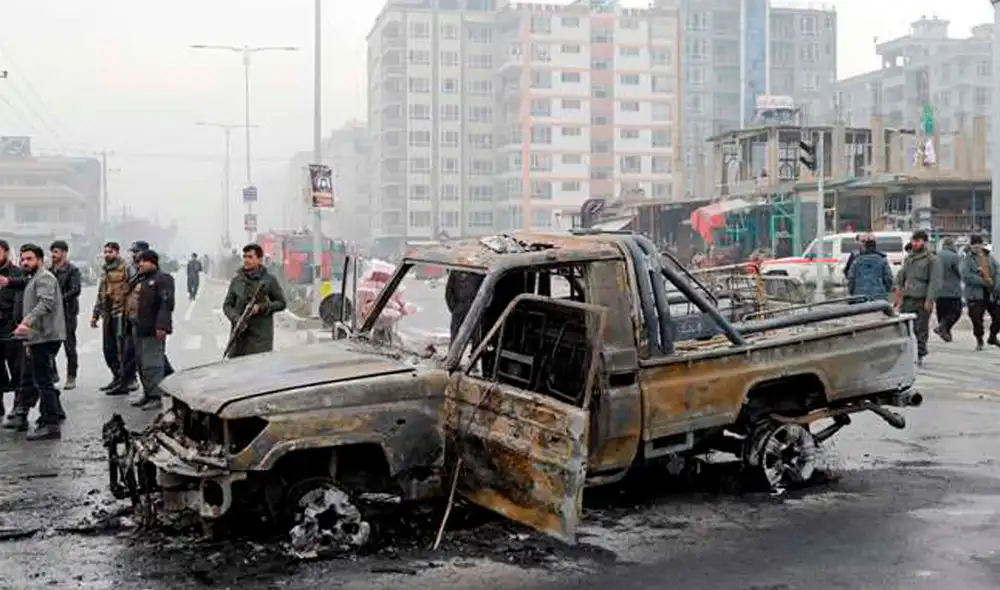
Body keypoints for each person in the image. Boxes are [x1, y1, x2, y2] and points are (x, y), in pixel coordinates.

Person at [6, 244, 66, 439]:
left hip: (44, 336)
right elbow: (23, 283)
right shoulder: (34, 278)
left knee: (43, 381)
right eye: (23, 259)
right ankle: (51, 415)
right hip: (37, 336)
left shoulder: (45, 278)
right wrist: (7, 282)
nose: (25, 262)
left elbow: (46, 303)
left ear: (39, 259)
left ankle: (51, 425)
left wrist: (26, 322)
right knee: (38, 378)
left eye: (29, 259)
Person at [222, 243, 287, 357]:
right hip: (239, 341)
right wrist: (236, 319)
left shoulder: (269, 280)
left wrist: (261, 308)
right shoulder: (237, 281)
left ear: (259, 259)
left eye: (250, 257)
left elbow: (281, 303)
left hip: (260, 341)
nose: (246, 260)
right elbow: (227, 306)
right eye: (245, 256)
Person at [129, 250, 174, 410]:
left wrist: (162, 326)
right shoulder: (140, 279)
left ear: (153, 263)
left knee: (153, 363)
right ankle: (147, 394)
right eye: (139, 261)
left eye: (144, 261)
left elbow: (166, 304)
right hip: (138, 327)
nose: (140, 264)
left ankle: (156, 396)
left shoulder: (163, 279)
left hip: (153, 329)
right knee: (141, 363)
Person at [90, 242, 136, 396]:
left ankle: (128, 380)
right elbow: (101, 292)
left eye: (110, 252)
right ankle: (117, 377)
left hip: (121, 313)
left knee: (122, 349)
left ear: (117, 252)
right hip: (107, 313)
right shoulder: (104, 270)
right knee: (108, 349)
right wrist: (95, 314)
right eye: (105, 252)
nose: (107, 254)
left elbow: (133, 289)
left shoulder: (126, 267)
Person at [893, 230, 941, 366]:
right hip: (908, 298)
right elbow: (902, 276)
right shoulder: (909, 258)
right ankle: (908, 353)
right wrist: (898, 292)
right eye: (914, 241)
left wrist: (930, 299)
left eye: (918, 241)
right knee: (905, 327)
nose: (915, 244)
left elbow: (935, 281)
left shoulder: (932, 260)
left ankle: (920, 353)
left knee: (921, 328)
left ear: (925, 242)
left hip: (922, 299)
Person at [48, 240, 82, 390]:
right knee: (48, 346)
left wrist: (59, 299)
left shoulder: (72, 270)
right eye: (52, 252)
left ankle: (71, 376)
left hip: (67, 313)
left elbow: (76, 290)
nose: (53, 255)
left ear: (64, 253)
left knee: (69, 346)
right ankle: (53, 374)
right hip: (51, 314)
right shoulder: (49, 270)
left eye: (56, 252)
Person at [960, 234, 1000, 351]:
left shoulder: (989, 257)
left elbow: (998, 270)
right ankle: (979, 338)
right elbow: (966, 276)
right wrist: (984, 281)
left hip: (991, 293)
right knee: (976, 318)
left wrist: (996, 284)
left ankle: (992, 336)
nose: (976, 247)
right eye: (974, 245)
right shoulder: (967, 259)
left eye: (978, 245)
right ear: (971, 246)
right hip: (975, 294)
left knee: (998, 315)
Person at [0, 240, 22, 419]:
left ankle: (18, 405)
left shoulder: (16, 273)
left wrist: (9, 282)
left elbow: (25, 285)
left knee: (16, 366)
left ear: (6, 252)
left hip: (11, 325)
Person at [846, 233, 893, 302]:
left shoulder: (856, 260)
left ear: (865, 246)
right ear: (875, 246)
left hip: (860, 297)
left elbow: (851, 279)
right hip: (879, 297)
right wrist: (886, 290)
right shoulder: (882, 260)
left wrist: (852, 292)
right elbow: (888, 278)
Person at [934, 237, 964, 343]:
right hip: (953, 291)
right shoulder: (955, 257)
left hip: (938, 291)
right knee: (956, 312)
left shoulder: (936, 257)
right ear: (952, 245)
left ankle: (945, 331)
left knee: (942, 313)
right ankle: (942, 327)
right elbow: (960, 272)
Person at [445, 270, 484, 342]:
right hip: (459, 309)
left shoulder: (480, 272)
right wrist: (454, 308)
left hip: (475, 308)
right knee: (455, 336)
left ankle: (475, 352)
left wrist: (481, 308)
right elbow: (449, 290)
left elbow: (486, 290)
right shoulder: (456, 271)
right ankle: (453, 352)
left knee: (476, 337)